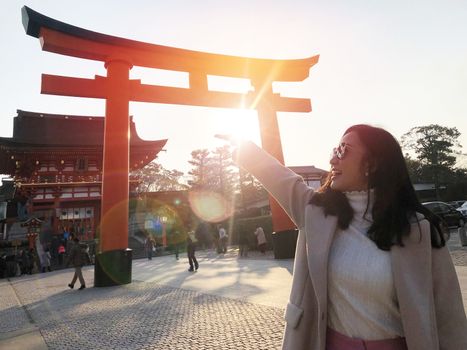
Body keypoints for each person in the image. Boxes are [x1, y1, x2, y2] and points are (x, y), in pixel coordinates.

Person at [218, 125, 467, 350]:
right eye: (335, 149)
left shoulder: (419, 230)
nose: (332, 158)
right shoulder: (316, 211)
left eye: (343, 150)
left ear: (372, 163)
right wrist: (244, 149)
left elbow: (449, 316)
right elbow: (280, 178)